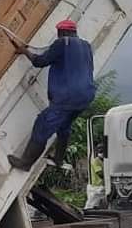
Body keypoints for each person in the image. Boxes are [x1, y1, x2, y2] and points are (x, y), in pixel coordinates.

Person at [8, 19, 96, 170]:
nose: (58, 36)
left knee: (42, 124)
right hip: (86, 96)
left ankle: (25, 163)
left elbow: (40, 61)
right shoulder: (86, 46)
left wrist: (25, 51)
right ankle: (59, 159)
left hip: (68, 97)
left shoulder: (62, 43)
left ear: (62, 32)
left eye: (59, 33)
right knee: (64, 126)